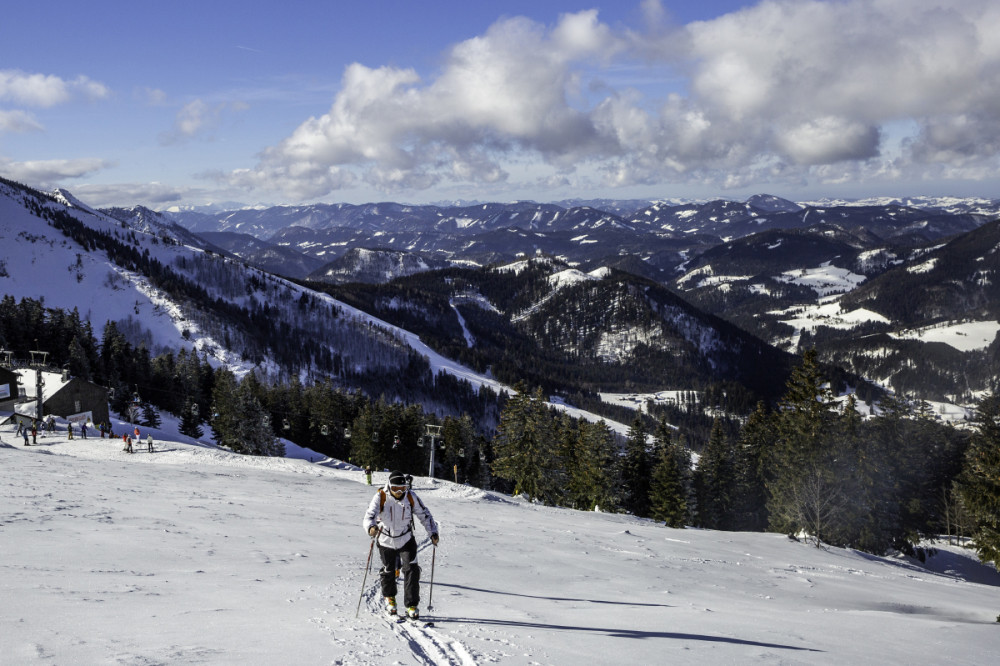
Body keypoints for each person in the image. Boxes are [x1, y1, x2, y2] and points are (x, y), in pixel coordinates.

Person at [363, 470, 439, 620]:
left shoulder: (411, 497)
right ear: (389, 486)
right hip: (386, 539)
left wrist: (433, 533)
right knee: (389, 569)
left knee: (411, 569)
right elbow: (369, 516)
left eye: (402, 489)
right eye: (396, 489)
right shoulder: (381, 496)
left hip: (405, 538)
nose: (399, 492)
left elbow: (424, 515)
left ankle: (411, 605)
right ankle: (389, 598)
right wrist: (371, 528)